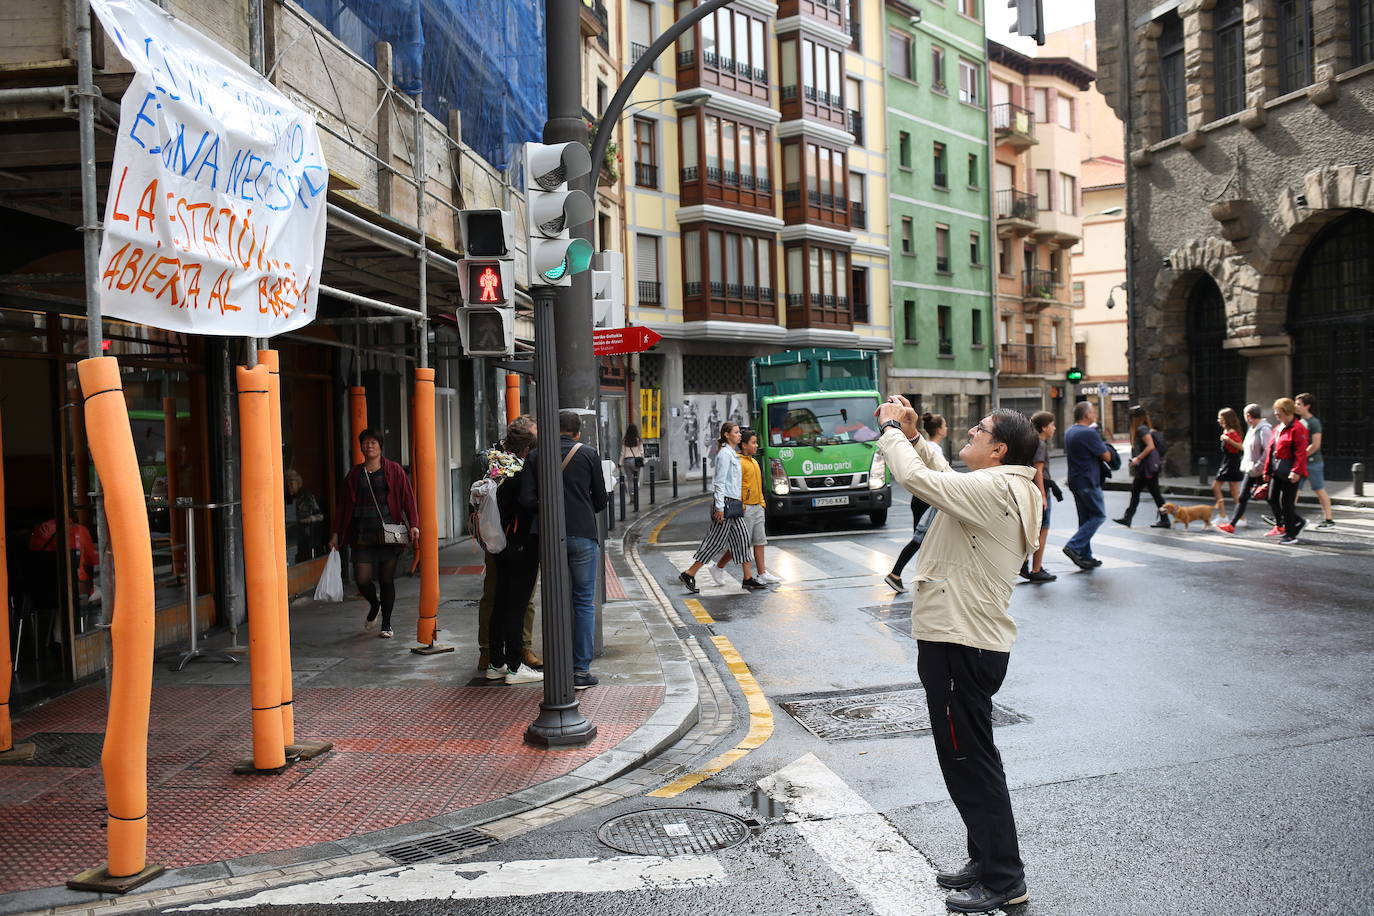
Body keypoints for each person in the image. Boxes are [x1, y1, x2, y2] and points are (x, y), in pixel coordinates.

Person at [873, 396, 1041, 914]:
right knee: (973, 756)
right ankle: (985, 856)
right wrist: (916, 434)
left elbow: (924, 482)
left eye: (980, 429)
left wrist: (891, 433)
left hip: (960, 643)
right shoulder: (1007, 484)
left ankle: (1003, 879)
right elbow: (943, 472)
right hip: (967, 640)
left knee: (969, 762)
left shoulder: (994, 489)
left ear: (999, 450)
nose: (970, 430)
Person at [519, 411, 608, 690]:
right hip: (582, 534)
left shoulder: (535, 456)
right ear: (577, 432)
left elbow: (526, 500)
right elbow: (601, 499)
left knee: (553, 599)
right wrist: (581, 507)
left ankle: (556, 665)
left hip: (548, 535)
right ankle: (580, 671)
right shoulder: (588, 454)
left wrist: (551, 509)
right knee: (583, 601)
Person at [329, 428, 419, 639]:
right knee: (362, 579)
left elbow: (407, 498)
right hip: (362, 534)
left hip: (389, 534)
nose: (369, 446)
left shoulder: (394, 470)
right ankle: (374, 604)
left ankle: (386, 624)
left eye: (373, 442)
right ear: (361, 447)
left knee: (386, 579)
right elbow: (343, 507)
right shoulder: (354, 475)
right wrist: (336, 533)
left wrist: (413, 524)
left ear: (380, 446)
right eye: (365, 443)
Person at [476, 417, 542, 674]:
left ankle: (496, 659)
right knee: (514, 601)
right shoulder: (520, 470)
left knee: (503, 600)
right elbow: (526, 503)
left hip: (497, 540)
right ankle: (513, 663)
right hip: (518, 542)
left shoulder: (495, 463)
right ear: (527, 447)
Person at [673, 421, 765, 594]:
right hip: (725, 505)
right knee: (714, 543)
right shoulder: (724, 455)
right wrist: (720, 508)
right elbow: (719, 483)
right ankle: (689, 573)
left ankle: (747, 578)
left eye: (739, 432)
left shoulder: (732, 454)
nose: (739, 435)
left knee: (744, 540)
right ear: (727, 435)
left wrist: (739, 502)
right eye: (736, 432)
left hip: (734, 505)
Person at [885, 412, 947, 593]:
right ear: (940, 430)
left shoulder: (929, 446)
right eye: (945, 425)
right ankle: (896, 574)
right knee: (922, 540)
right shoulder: (934, 449)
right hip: (927, 499)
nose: (947, 428)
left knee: (924, 541)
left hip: (920, 499)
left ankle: (922, 577)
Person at [710, 428, 779, 585]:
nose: (756, 446)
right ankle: (719, 566)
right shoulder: (738, 461)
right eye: (753, 443)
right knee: (741, 544)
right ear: (744, 445)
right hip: (745, 508)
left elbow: (758, 485)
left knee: (760, 541)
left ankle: (762, 573)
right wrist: (740, 504)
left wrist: (761, 503)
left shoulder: (754, 461)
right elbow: (735, 485)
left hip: (757, 506)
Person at [1063, 401, 1114, 570]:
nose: (1095, 414)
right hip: (1089, 480)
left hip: (1075, 480)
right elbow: (1106, 457)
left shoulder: (1069, 432)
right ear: (1087, 415)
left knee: (1085, 518)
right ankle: (1074, 546)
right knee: (1098, 515)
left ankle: (1086, 556)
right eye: (1093, 412)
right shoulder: (1088, 433)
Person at [1217, 404, 1272, 534]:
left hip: (1260, 469)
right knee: (1242, 497)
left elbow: (1268, 451)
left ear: (1248, 416)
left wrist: (1260, 467)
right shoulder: (1252, 428)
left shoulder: (1263, 429)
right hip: (1251, 469)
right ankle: (1232, 525)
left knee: (1271, 498)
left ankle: (1288, 521)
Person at [1112, 405, 1170, 529]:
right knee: (1139, 492)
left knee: (1152, 493)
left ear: (1134, 418)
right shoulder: (1145, 428)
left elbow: (1150, 446)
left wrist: (1137, 459)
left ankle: (1164, 519)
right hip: (1146, 468)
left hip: (1147, 468)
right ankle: (1128, 518)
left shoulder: (1141, 429)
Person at [1263, 397, 1309, 545]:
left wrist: (1296, 471)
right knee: (1271, 498)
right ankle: (1297, 521)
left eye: (1278, 411)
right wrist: (1267, 471)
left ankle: (1290, 534)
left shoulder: (1298, 428)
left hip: (1291, 472)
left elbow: (1300, 452)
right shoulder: (1277, 428)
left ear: (1287, 411)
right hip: (1277, 470)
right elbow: (1271, 451)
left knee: (1287, 503)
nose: (1276, 413)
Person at [1019, 411, 1058, 583]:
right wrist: (1042, 495)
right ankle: (1036, 569)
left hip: (1029, 489)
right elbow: (1039, 471)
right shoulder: (1040, 444)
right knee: (1043, 529)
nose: (1054, 428)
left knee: (1032, 528)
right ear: (1044, 428)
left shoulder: (1030, 442)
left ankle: (1025, 563)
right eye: (1052, 425)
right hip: (1039, 490)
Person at [1294, 393, 1335, 528]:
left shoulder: (1314, 423)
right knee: (1294, 490)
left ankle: (1329, 519)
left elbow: (1316, 445)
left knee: (1319, 489)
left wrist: (1301, 456)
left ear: (1307, 406)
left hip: (1313, 462)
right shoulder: (1299, 422)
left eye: (1299, 404)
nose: (1295, 406)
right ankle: (1285, 516)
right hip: (1302, 462)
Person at [285, 469, 325, 563]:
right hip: (290, 537)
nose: (289, 485)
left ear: (298, 483)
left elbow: (320, 516)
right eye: (287, 482)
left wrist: (310, 519)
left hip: (306, 536)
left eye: (291, 482)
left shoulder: (307, 497)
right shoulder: (284, 498)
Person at [1212, 407, 1245, 511]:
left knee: (1217, 487)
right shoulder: (1227, 431)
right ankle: (1239, 517)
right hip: (1228, 462)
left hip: (1231, 462)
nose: (1218, 420)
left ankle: (1223, 514)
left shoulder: (1231, 432)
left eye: (1220, 418)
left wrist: (1228, 440)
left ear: (1226, 419)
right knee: (1234, 491)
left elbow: (1241, 446)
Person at [621, 423, 646, 491]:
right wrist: (643, 459)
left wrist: (620, 463)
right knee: (636, 478)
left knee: (629, 480)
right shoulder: (638, 440)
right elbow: (641, 451)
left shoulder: (625, 440)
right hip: (636, 461)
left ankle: (631, 496)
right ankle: (636, 495)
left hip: (627, 460)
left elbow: (623, 452)